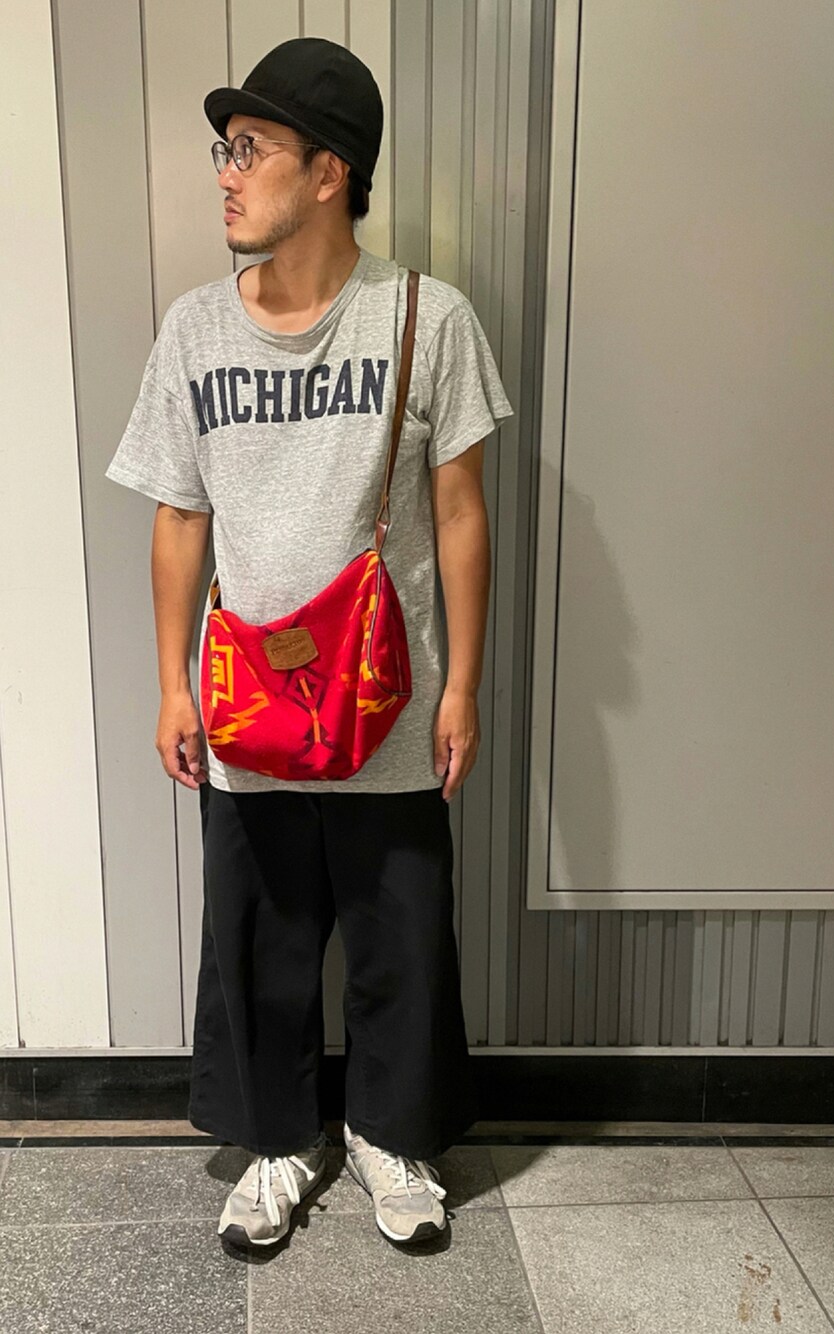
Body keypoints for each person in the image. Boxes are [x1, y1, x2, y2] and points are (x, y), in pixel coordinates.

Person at [104, 36, 514, 1251]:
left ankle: (391, 1134)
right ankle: (279, 1140)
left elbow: (460, 513)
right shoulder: (193, 331)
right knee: (261, 942)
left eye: (250, 148)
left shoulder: (427, 317)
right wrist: (169, 684)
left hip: (390, 704)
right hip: (245, 707)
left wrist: (464, 686)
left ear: (328, 171)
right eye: (222, 149)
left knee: (400, 936)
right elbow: (180, 517)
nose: (225, 173)